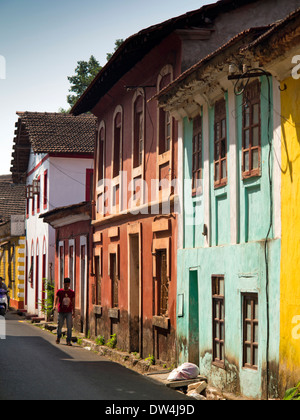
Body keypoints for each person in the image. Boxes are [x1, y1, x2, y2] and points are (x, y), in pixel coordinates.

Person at [54, 278, 75, 346]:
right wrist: (54, 306)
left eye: (68, 284)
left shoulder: (72, 292)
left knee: (69, 326)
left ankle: (68, 340)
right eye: (65, 284)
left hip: (69, 311)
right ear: (63, 284)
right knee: (60, 325)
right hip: (61, 311)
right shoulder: (59, 291)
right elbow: (56, 298)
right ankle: (58, 337)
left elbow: (73, 302)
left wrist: (73, 311)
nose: (66, 285)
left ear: (69, 284)